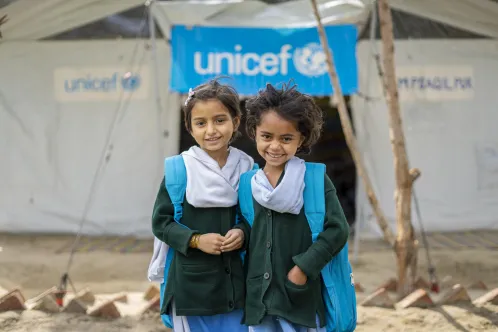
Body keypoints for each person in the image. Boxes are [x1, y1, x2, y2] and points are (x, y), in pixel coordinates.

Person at [241, 83, 350, 332]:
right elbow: (249, 228)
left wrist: (303, 268)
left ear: (301, 138)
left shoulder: (313, 179)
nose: (275, 146)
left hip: (301, 298)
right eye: (267, 137)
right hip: (260, 300)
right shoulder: (248, 183)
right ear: (254, 133)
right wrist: (238, 232)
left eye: (286, 138)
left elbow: (337, 230)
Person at [150, 78, 254, 332]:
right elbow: (161, 223)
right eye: (201, 123)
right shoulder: (180, 170)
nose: (211, 130)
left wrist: (242, 232)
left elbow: (256, 218)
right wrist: (196, 240)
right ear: (190, 127)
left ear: (236, 121)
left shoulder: (248, 169)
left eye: (220, 120)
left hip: (236, 285)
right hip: (190, 288)